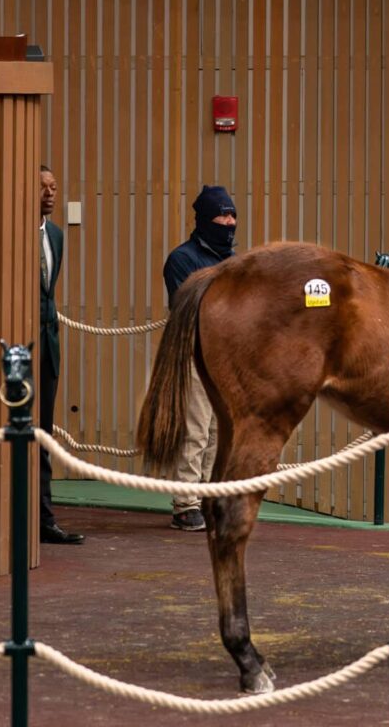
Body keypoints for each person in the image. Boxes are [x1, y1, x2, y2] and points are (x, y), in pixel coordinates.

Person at [162, 184, 237, 531]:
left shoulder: (234, 261)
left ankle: (207, 497)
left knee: (218, 431)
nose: (229, 221)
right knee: (194, 429)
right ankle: (185, 503)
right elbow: (186, 309)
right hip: (193, 353)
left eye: (232, 214)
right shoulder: (182, 259)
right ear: (206, 218)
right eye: (222, 214)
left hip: (226, 357)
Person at [39, 165, 84, 544]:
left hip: (49, 344)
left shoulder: (54, 234)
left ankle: (44, 518)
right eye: (43, 187)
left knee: (45, 433)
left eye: (54, 187)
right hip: (18, 347)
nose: (51, 194)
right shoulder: (13, 233)